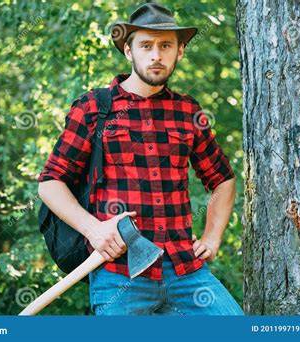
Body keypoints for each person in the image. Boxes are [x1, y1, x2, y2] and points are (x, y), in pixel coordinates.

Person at [38, 2, 244, 315]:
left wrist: (212, 238)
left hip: (186, 271)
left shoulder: (188, 112)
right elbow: (51, 183)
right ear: (128, 51)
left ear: (180, 51)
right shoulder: (95, 108)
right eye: (145, 45)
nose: (156, 55)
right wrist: (94, 230)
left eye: (166, 46)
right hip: (118, 277)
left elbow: (222, 179)